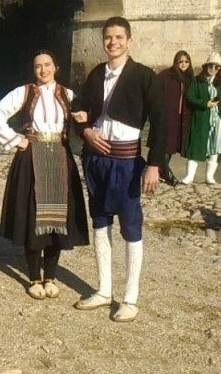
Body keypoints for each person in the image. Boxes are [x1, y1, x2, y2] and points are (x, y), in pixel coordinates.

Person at [72, 16, 164, 323]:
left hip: (127, 163)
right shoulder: (96, 74)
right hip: (96, 161)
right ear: (103, 40)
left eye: (119, 37)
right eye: (108, 37)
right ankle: (103, 290)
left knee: (131, 228)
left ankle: (130, 298)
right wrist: (85, 132)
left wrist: (154, 164)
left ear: (129, 40)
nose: (113, 42)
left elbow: (162, 121)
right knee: (99, 221)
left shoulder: (143, 76)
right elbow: (78, 112)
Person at [0, 50, 90, 300]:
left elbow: (82, 122)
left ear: (56, 67)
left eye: (47, 65)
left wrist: (84, 119)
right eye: (38, 66)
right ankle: (34, 276)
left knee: (58, 217)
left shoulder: (69, 95)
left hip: (60, 157)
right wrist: (15, 140)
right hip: (31, 157)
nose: (43, 70)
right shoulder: (23, 92)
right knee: (34, 216)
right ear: (33, 70)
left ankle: (50, 276)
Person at [181, 52, 221, 185]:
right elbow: (190, 97)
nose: (213, 69)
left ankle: (209, 177)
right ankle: (189, 176)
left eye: (217, 67)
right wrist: (205, 104)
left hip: (217, 121)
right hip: (201, 119)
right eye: (211, 66)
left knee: (214, 147)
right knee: (196, 146)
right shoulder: (197, 80)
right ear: (206, 67)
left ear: (219, 69)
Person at [155, 51, 193, 186]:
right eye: (180, 62)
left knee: (172, 146)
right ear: (176, 62)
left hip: (181, 118)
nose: (183, 64)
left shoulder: (189, 78)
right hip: (167, 116)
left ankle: (161, 170)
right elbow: (154, 91)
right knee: (166, 145)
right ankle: (166, 173)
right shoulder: (166, 75)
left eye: (186, 61)